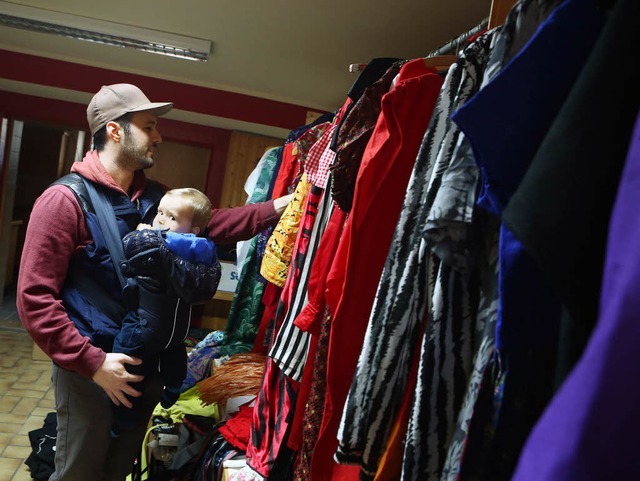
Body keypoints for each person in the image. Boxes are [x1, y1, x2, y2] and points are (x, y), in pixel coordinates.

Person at [16, 83, 291, 481]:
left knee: (116, 472)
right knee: (79, 473)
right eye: (149, 126)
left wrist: (279, 207)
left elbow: (213, 225)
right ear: (114, 131)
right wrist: (93, 364)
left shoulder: (155, 201)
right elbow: (34, 299)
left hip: (147, 366)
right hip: (91, 370)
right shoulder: (63, 201)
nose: (159, 136)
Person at [111, 187, 221, 437]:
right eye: (160, 212)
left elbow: (130, 248)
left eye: (172, 217)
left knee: (126, 360)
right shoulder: (202, 251)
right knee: (175, 361)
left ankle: (120, 421)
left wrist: (143, 235)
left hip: (143, 327)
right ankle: (171, 389)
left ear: (194, 230)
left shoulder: (152, 240)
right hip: (176, 333)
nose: (160, 219)